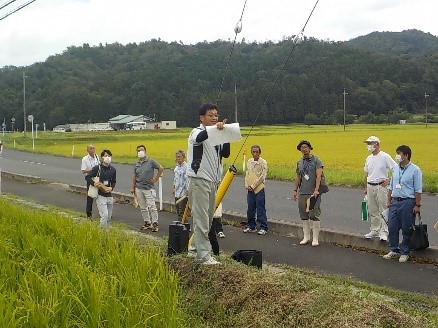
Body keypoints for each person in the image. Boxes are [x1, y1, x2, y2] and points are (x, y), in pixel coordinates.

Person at [187, 103, 230, 265]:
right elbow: (199, 139)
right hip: (199, 180)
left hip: (212, 181)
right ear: (201, 118)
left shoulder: (216, 134)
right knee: (202, 218)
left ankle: (194, 248)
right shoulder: (196, 132)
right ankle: (203, 256)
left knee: (207, 218)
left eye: (216, 115)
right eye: (210, 115)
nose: (214, 118)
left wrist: (225, 135)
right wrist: (214, 130)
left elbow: (225, 153)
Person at [383, 145, 422, 263]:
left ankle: (405, 251)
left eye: (399, 154)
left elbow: (418, 190)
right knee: (392, 226)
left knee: (406, 227)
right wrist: (388, 200)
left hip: (408, 201)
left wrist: (417, 205)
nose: (397, 156)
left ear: (406, 155)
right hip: (395, 200)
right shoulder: (395, 169)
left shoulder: (415, 170)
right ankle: (393, 249)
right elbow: (391, 186)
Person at [363, 136, 397, 241]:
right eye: (368, 144)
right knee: (372, 209)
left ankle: (384, 231)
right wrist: (365, 188)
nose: (369, 146)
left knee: (383, 209)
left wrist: (389, 180)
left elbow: (396, 169)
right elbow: (366, 173)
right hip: (370, 185)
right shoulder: (368, 158)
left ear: (377, 144)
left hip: (381, 186)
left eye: (370, 143)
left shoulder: (385, 156)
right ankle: (375, 229)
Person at [292, 140, 324, 247]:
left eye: (305, 147)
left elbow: (318, 176)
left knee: (314, 214)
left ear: (310, 148)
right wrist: (295, 190)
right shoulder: (299, 162)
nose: (304, 149)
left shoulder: (317, 161)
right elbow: (298, 177)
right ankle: (306, 237)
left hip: (313, 192)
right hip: (303, 192)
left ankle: (315, 238)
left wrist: (316, 190)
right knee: (303, 214)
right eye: (302, 148)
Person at [131, 145, 164, 232]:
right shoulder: (136, 164)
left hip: (149, 188)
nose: (140, 152)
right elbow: (134, 176)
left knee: (152, 206)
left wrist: (155, 179)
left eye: (141, 150)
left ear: (145, 151)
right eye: (138, 151)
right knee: (143, 207)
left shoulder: (151, 161)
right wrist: (133, 187)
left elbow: (160, 168)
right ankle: (147, 222)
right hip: (139, 188)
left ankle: (155, 223)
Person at [85, 149, 116, 227]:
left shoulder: (113, 169)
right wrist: (94, 183)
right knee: (104, 215)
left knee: (109, 216)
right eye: (106, 156)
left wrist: (111, 188)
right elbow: (88, 177)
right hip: (100, 194)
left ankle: (107, 230)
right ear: (102, 157)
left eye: (109, 156)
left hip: (109, 195)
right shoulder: (97, 168)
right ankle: (102, 231)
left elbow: (113, 181)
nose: (108, 157)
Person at [244, 145, 268, 235]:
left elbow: (262, 176)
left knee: (260, 207)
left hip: (259, 188)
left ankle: (263, 227)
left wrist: (253, 185)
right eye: (253, 152)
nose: (255, 153)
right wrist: (247, 185)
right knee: (250, 208)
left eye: (257, 152)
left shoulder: (263, 162)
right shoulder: (249, 161)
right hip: (250, 188)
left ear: (259, 152)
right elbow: (247, 173)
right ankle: (251, 226)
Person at [81, 144, 100, 219]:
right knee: (90, 196)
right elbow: (83, 171)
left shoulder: (97, 157)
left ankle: (102, 212)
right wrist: (93, 169)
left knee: (100, 196)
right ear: (88, 150)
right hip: (90, 178)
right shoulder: (85, 159)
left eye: (93, 148)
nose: (92, 150)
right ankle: (89, 213)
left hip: (98, 178)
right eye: (91, 148)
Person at [173, 149, 188, 222]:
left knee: (182, 211)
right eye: (177, 157)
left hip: (183, 193)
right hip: (177, 192)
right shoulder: (176, 167)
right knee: (178, 210)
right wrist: (174, 188)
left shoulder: (187, 167)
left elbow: (188, 180)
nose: (178, 158)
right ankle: (185, 225)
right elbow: (175, 179)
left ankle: (180, 227)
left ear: (183, 157)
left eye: (179, 157)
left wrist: (187, 191)